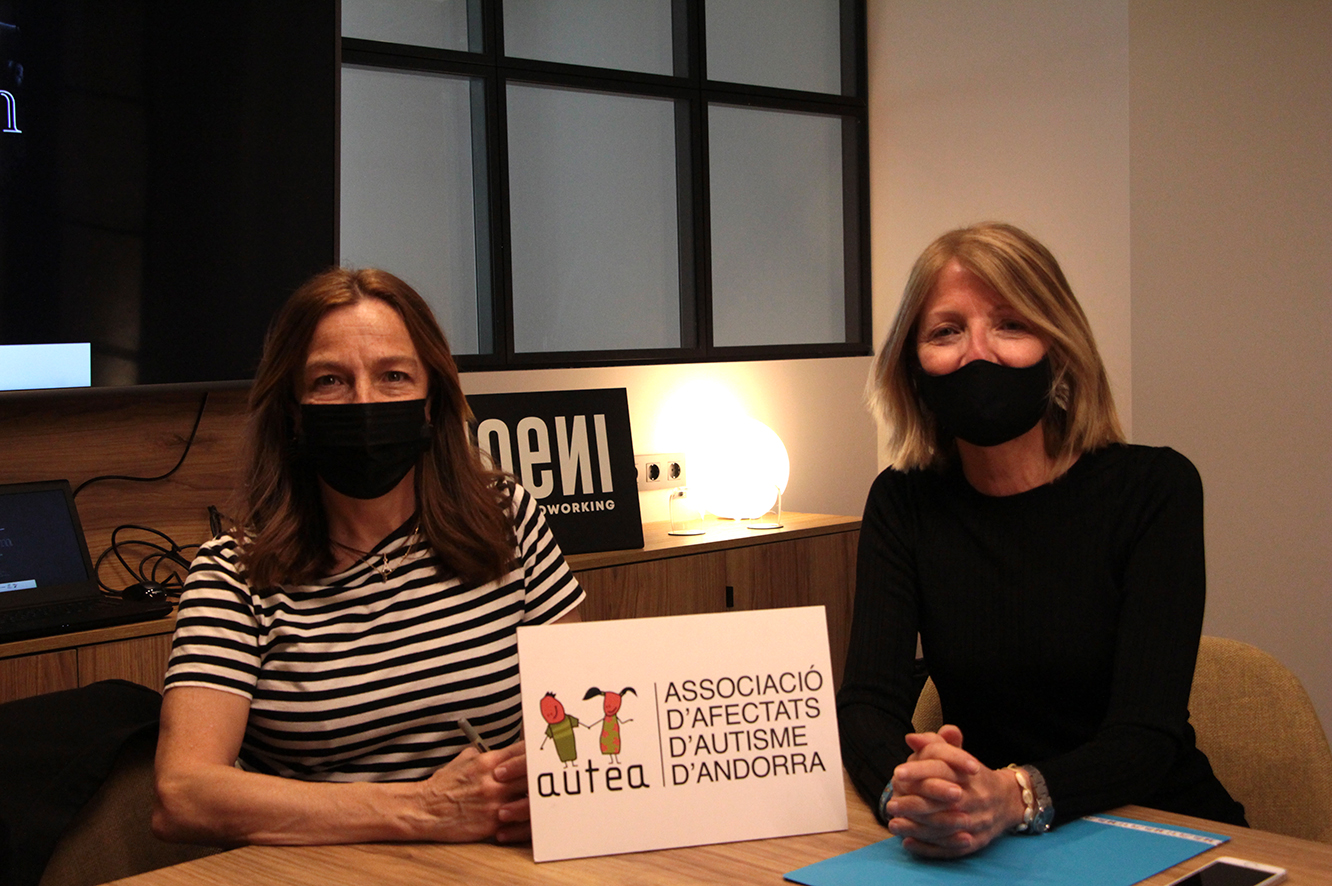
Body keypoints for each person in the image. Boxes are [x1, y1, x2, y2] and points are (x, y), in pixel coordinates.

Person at [837, 222, 1245, 859]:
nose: (977, 354)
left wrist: (1015, 796)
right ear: (912, 366)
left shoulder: (1154, 488)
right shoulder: (903, 500)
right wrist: (912, 795)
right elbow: (866, 704)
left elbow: (1146, 734)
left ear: (1059, 348)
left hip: (1159, 828)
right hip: (988, 843)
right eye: (946, 332)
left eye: (1010, 325)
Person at [153, 267, 583, 846]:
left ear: (431, 400)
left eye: (394, 377)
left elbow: (576, 714)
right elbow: (183, 793)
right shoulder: (233, 574)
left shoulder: (507, 520)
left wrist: (552, 787)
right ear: (294, 409)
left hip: (499, 860)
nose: (364, 402)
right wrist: (423, 808)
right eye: (330, 380)